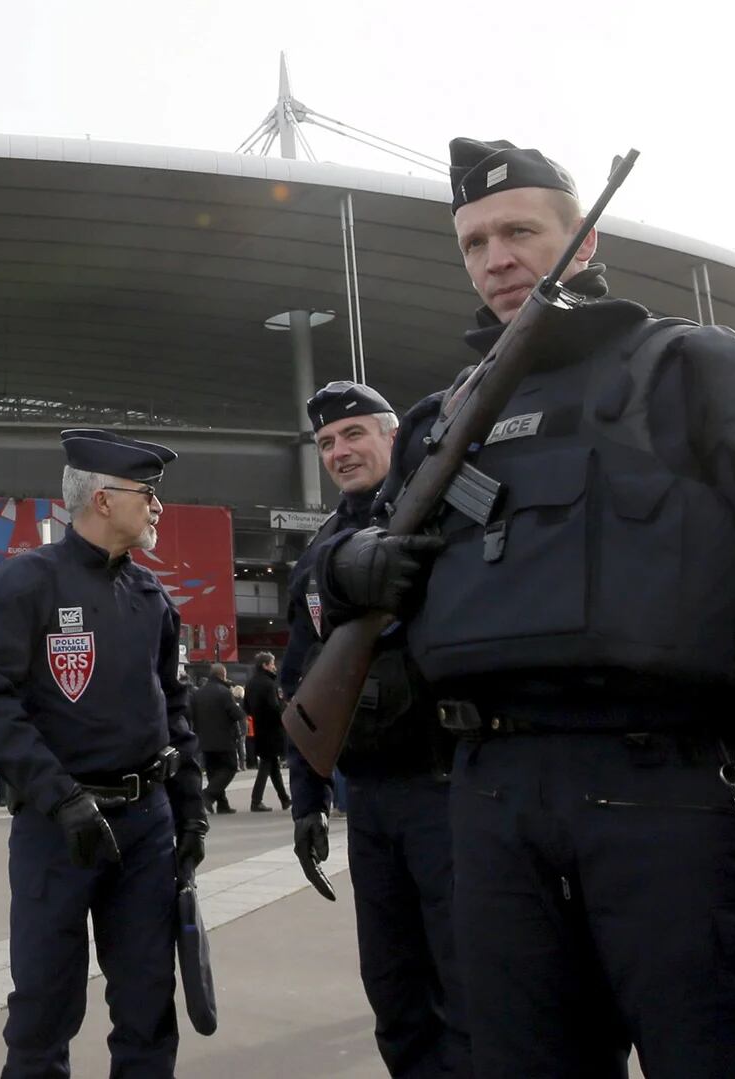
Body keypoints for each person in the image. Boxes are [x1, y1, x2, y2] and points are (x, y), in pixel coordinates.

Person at [309, 138, 735, 1075]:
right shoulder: (441, 419)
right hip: (490, 801)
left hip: (674, 796)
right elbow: (336, 560)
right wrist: (352, 565)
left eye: (520, 231)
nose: (496, 258)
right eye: (473, 241)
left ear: (581, 238)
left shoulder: (698, 371)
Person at [0, 427, 207, 1077]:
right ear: (102, 497)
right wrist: (60, 798)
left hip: (147, 827)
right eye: (147, 493)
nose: (158, 507)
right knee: (44, 1006)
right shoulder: (22, 585)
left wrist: (192, 804)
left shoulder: (153, 598)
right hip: (57, 828)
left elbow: (173, 707)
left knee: (150, 1004)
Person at [282, 380, 469, 1077]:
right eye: (327, 442)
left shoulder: (446, 513)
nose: (339, 451)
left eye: (354, 433)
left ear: (395, 435)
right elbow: (302, 684)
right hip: (373, 801)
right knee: (394, 991)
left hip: (449, 785)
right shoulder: (319, 555)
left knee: (470, 988)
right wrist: (306, 799)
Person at [188, 664, 244, 815]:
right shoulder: (225, 693)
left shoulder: (198, 693)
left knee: (214, 771)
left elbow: (191, 715)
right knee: (230, 768)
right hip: (224, 739)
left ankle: (222, 804)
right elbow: (236, 714)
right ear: (222, 675)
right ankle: (208, 795)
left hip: (204, 739)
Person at [243, 653, 290, 812]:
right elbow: (274, 707)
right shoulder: (269, 684)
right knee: (266, 764)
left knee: (273, 765)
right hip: (272, 729)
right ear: (264, 665)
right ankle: (256, 800)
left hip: (259, 727)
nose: (274, 667)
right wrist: (285, 712)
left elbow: (246, 707)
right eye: (272, 664)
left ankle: (284, 799)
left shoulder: (250, 683)